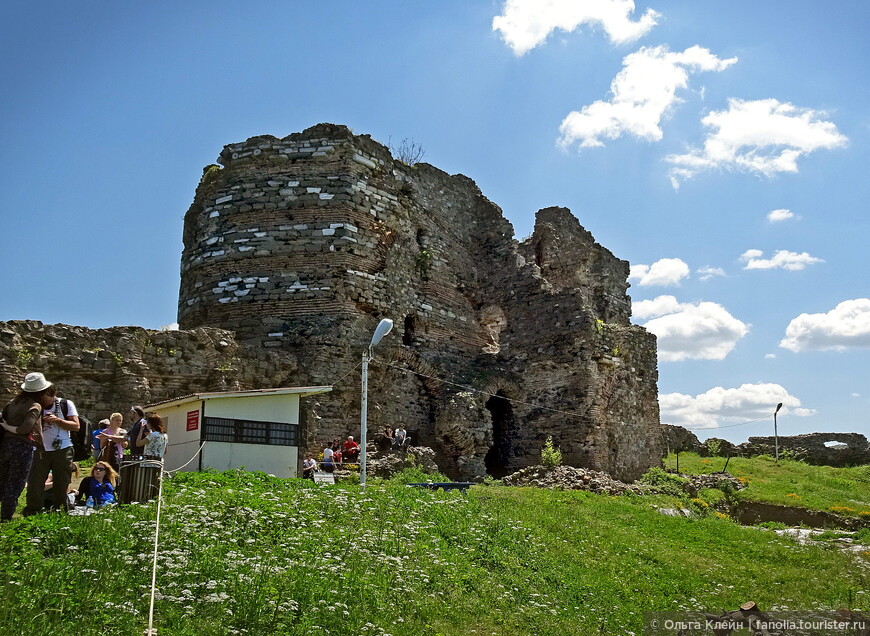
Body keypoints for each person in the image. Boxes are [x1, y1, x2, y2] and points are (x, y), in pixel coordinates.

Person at [22, 379, 80, 516]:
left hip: (63, 449)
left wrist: (57, 421)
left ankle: (60, 512)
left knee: (62, 482)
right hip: (40, 450)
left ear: (54, 394)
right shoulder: (34, 406)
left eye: (45, 397)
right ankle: (33, 513)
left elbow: (76, 426)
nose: (43, 401)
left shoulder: (66, 404)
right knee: (35, 483)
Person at [0, 372, 52, 522]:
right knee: (15, 484)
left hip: (6, 446)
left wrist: (5, 427)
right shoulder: (35, 405)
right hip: (22, 448)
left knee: (2, 481)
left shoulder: (13, 402)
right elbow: (25, 429)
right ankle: (5, 519)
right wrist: (9, 427)